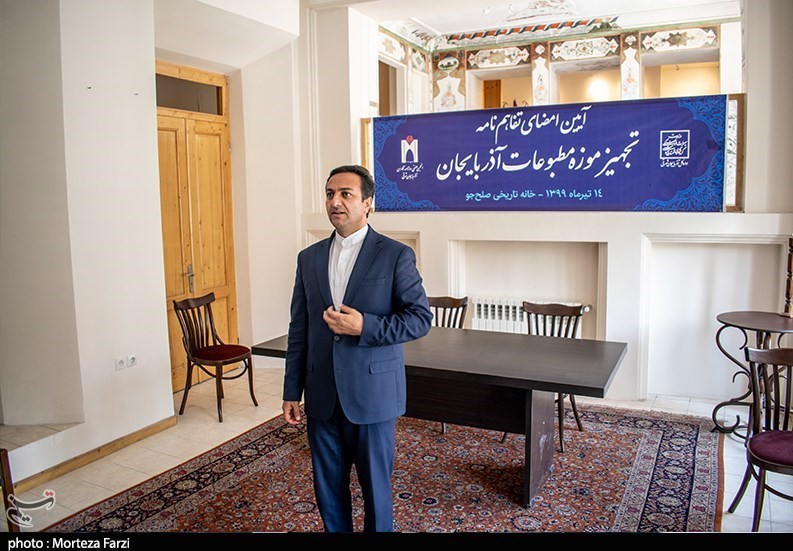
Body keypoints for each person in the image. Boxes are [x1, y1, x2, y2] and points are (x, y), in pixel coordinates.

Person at [282, 164, 432, 532]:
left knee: (376, 491)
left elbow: (419, 319)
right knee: (328, 491)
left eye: (346, 194)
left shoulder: (395, 255)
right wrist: (291, 391)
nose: (335, 202)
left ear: (368, 203)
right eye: (330, 194)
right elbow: (299, 329)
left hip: (372, 396)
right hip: (322, 396)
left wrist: (365, 326)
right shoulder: (308, 258)